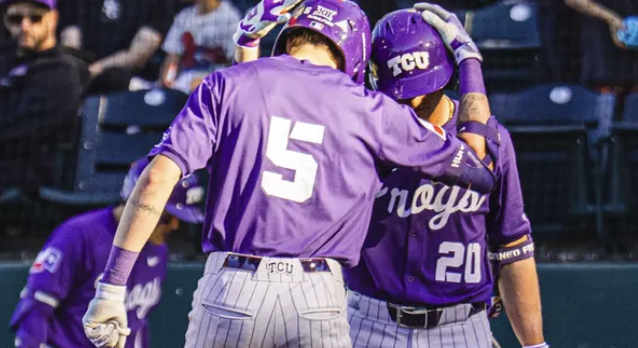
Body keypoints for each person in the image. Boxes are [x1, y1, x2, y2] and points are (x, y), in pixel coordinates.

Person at [81, 0, 501, 346]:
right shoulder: (371, 110)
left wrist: (113, 285)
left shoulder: (227, 84)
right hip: (317, 294)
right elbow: (478, 167)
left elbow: (156, 178)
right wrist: (468, 60)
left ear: (287, 37)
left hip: (231, 286)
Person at [343, 5, 548, 348]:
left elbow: (512, 246)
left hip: (461, 326)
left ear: (450, 76)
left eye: (427, 86)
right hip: (369, 322)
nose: (418, 97)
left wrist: (535, 345)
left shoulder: (493, 140)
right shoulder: (361, 136)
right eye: (405, 93)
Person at [10, 158, 205, 348]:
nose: (174, 226)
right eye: (166, 217)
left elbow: (137, 324)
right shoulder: (79, 235)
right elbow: (36, 308)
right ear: (136, 203)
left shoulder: (159, 250)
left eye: (179, 220)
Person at [0, 0, 88, 193]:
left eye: (35, 18)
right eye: (16, 19)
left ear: (53, 19)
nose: (25, 26)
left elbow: (26, 128)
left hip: (28, 178)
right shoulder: (4, 62)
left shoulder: (63, 70)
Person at [159, 0, 241, 94]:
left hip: (218, 81)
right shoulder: (184, 16)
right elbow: (173, 57)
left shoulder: (231, 17)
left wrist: (209, 82)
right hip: (185, 80)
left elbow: (236, 65)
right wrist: (167, 81)